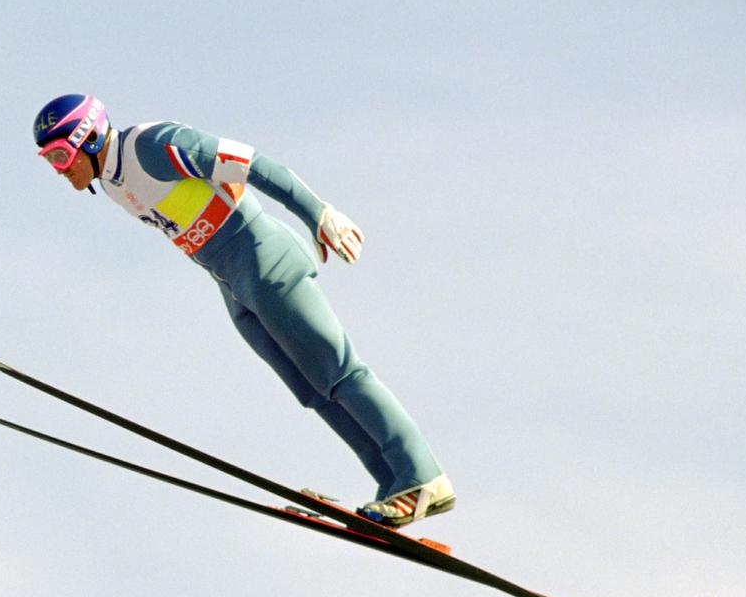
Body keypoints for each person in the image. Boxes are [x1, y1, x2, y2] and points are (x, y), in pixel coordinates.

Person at [31, 94, 454, 528]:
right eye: (50, 161)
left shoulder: (149, 146)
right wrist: (231, 291)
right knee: (313, 390)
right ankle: (392, 484)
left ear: (89, 136)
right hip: (234, 285)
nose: (60, 169)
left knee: (339, 372)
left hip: (265, 262)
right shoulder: (114, 184)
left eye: (61, 155)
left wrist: (318, 213)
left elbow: (248, 163)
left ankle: (421, 477)